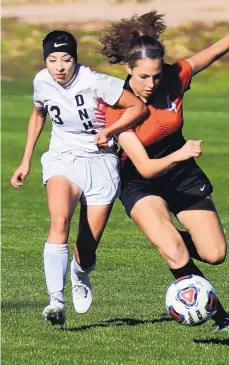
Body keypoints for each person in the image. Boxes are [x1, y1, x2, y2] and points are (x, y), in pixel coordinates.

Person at [10, 30, 203, 326]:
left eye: (66, 59)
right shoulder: (41, 81)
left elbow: (137, 108)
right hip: (63, 159)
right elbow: (38, 115)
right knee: (59, 220)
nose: (59, 66)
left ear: (76, 59)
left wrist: (109, 132)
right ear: (45, 60)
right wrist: (25, 160)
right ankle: (55, 301)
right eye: (52, 59)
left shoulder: (97, 82)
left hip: (100, 164)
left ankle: (80, 272)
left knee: (86, 250)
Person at [98, 12, 229, 331]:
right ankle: (219, 315)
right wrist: (182, 152)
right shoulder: (115, 104)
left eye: (155, 76)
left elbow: (212, 52)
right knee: (175, 248)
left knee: (214, 252)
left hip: (182, 174)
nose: (151, 84)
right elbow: (144, 167)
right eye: (143, 77)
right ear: (128, 69)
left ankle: (167, 241)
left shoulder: (174, 77)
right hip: (139, 179)